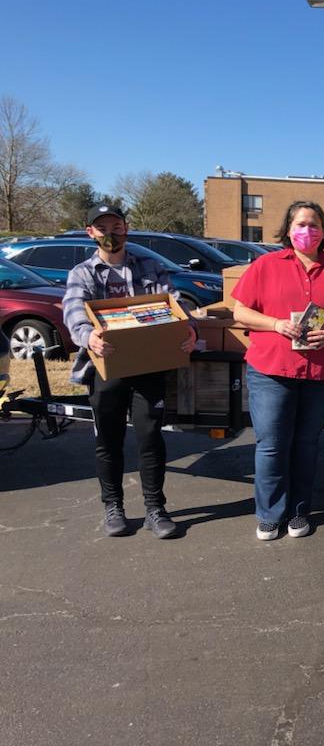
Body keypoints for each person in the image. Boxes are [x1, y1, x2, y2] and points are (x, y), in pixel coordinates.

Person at [232, 201, 324, 541]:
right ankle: (269, 514)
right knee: (272, 444)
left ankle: (298, 511)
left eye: (314, 224)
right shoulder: (266, 265)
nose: (307, 230)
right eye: (300, 223)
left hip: (322, 372)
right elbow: (240, 312)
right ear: (288, 228)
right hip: (272, 370)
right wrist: (276, 324)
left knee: (306, 443)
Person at [63, 204, 197, 539]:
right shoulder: (83, 273)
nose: (111, 233)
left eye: (117, 226)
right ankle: (114, 506)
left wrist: (187, 328)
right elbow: (74, 312)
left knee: (150, 437)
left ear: (127, 228)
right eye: (102, 227)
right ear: (90, 232)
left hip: (148, 366)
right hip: (105, 368)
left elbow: (174, 303)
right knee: (108, 440)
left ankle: (155, 508)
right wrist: (88, 336)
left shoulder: (149, 266)